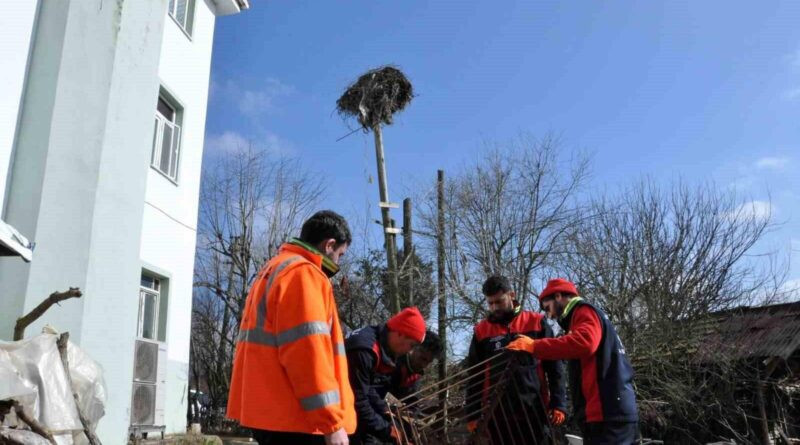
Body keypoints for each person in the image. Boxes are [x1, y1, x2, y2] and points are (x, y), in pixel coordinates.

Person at [227, 210, 356, 445]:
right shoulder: (303, 274)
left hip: (274, 414)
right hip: (297, 421)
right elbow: (308, 354)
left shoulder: (275, 268)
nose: (338, 263)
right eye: (340, 254)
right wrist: (332, 423)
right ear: (329, 245)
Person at [508, 278, 639, 444]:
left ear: (558, 296)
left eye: (548, 308)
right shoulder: (588, 316)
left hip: (607, 412)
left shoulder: (584, 311)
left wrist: (534, 346)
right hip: (613, 409)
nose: (550, 316)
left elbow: (585, 343)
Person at [464, 275, 567, 444]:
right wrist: (473, 414)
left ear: (512, 295)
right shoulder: (481, 332)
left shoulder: (536, 322)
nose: (494, 307)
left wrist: (559, 403)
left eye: (499, 301)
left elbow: (555, 366)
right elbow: (474, 376)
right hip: (497, 413)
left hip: (534, 409)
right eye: (490, 303)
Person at [345, 307, 427, 445]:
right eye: (411, 345)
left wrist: (384, 409)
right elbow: (357, 400)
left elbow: (366, 386)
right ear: (400, 334)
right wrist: (387, 431)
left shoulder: (376, 341)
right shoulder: (365, 351)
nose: (409, 351)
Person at [376, 330, 442, 409]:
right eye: (423, 358)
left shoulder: (416, 374)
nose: (424, 365)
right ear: (415, 347)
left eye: (428, 362)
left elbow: (413, 403)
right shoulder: (393, 362)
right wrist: (399, 407)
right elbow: (377, 391)